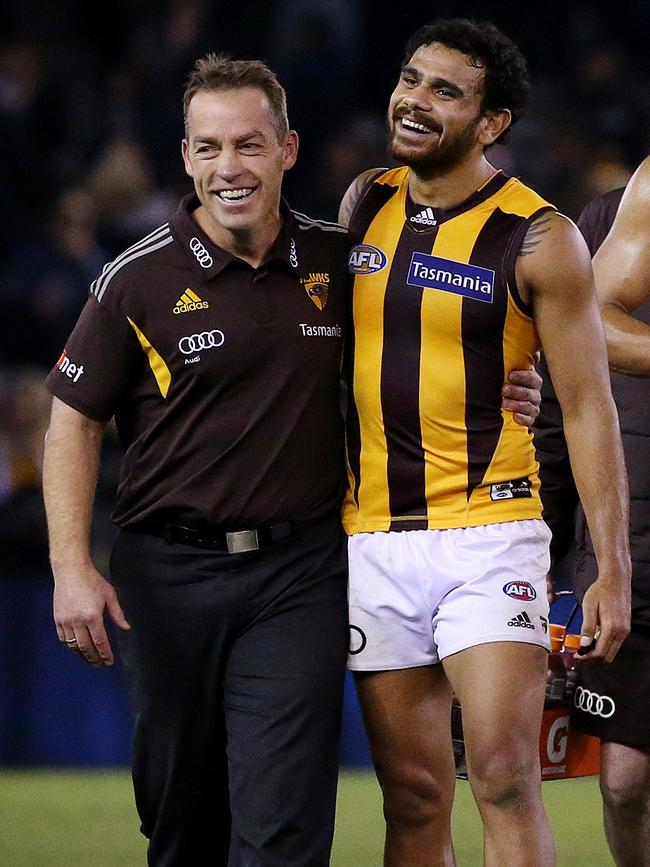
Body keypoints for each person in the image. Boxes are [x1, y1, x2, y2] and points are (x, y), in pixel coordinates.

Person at [41, 51, 543, 867]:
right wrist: (69, 563)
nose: (229, 168)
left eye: (247, 144)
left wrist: (523, 381)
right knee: (180, 820)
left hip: (299, 573)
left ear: (288, 150)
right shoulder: (133, 279)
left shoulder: (338, 259)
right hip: (168, 577)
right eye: (208, 148)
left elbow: (438, 335)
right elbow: (71, 421)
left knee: (284, 826)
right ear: (185, 158)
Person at [339, 18, 631, 867]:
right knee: (416, 795)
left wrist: (609, 566)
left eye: (445, 91)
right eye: (410, 78)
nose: (414, 101)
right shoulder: (366, 200)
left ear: (492, 121)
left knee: (502, 774)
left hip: (489, 530)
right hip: (375, 540)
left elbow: (588, 406)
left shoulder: (541, 236)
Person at [536, 159, 650, 867]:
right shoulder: (606, 221)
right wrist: (544, 551)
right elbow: (560, 404)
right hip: (636, 538)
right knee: (627, 780)